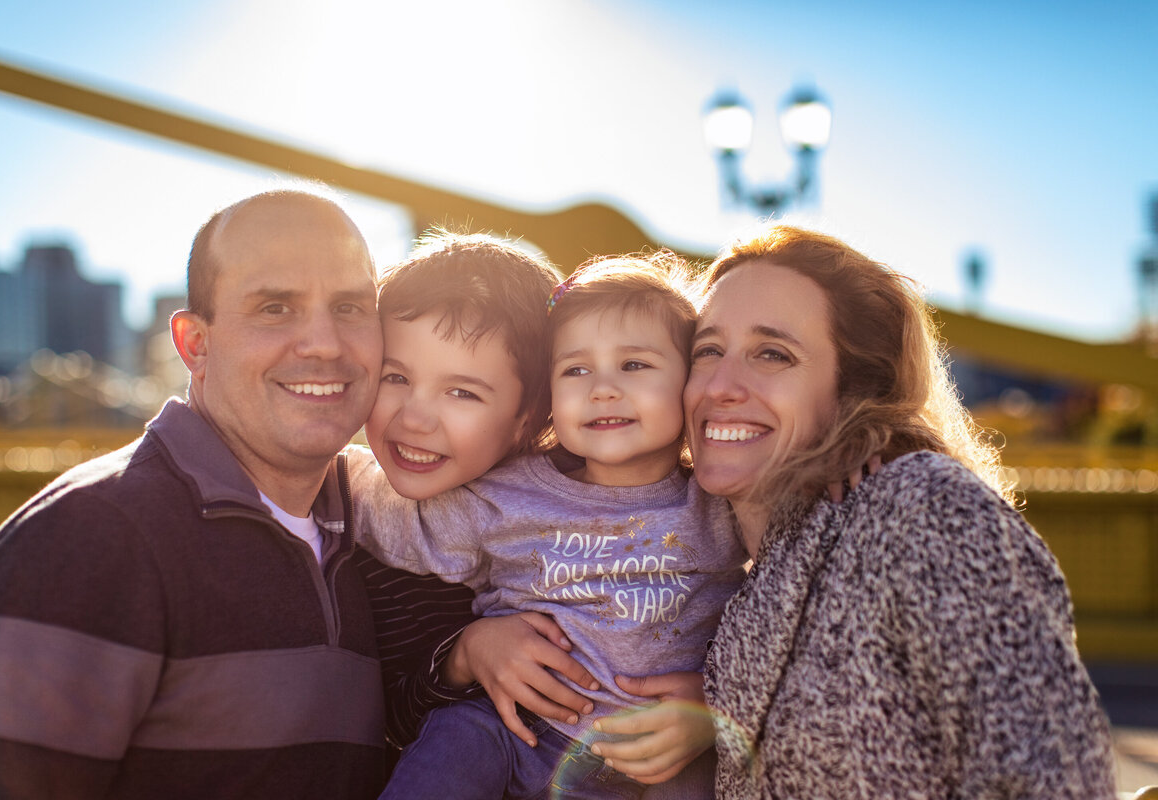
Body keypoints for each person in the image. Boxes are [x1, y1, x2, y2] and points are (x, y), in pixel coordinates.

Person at [0, 189, 444, 799]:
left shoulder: (393, 519)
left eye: (350, 306)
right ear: (195, 344)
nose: (324, 343)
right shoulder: (84, 538)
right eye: (275, 307)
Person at [685, 225, 1117, 797]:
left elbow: (1052, 779)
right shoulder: (715, 561)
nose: (720, 384)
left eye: (773, 354)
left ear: (856, 391)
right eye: (707, 350)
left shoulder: (922, 508)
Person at [350, 252, 744, 799]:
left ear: (689, 384)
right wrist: (305, 457)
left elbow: (806, 509)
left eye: (634, 365)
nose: (602, 388)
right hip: (509, 726)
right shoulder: (506, 495)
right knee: (456, 741)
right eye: (576, 369)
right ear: (550, 402)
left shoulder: (723, 501)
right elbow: (378, 510)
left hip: (655, 753)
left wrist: (874, 451)